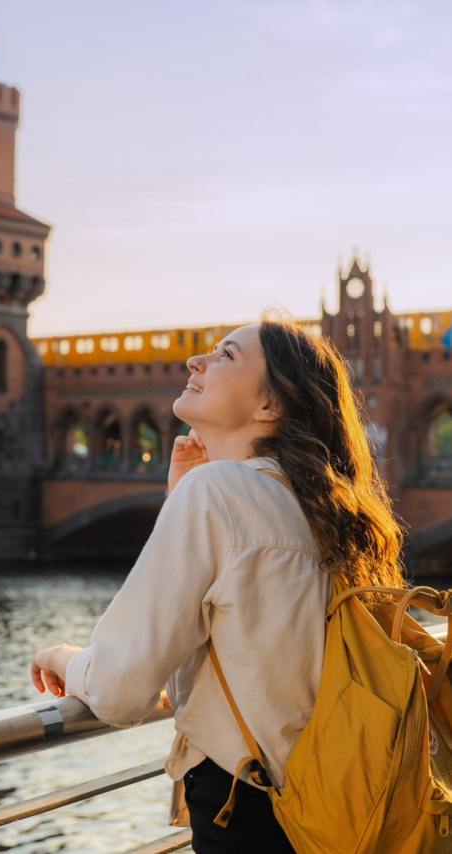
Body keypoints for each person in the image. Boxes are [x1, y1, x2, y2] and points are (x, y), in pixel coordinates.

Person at [31, 318, 405, 853]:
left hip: (253, 812)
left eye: (225, 356)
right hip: (346, 801)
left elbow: (120, 690)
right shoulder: (329, 506)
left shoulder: (215, 494)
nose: (196, 362)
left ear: (269, 406)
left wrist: (64, 657)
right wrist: (180, 498)